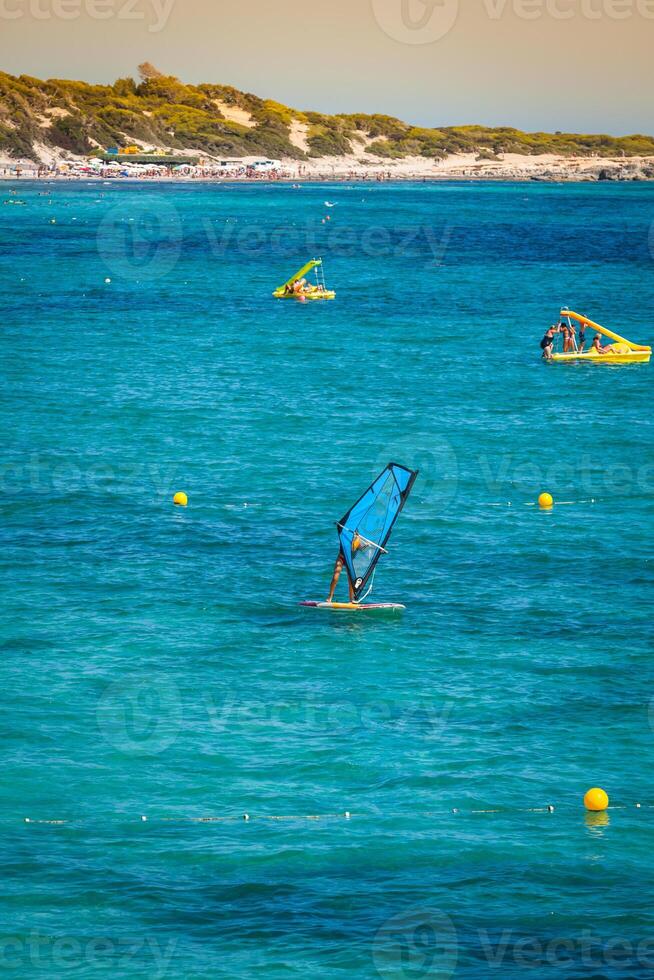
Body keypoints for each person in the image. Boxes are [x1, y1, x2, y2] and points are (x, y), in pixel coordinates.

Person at [326, 534, 362, 604]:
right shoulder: (345, 534)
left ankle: (351, 599)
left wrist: (377, 550)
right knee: (335, 576)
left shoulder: (359, 539)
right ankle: (330, 597)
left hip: (350, 561)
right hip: (341, 557)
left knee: (351, 581)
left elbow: (362, 548)